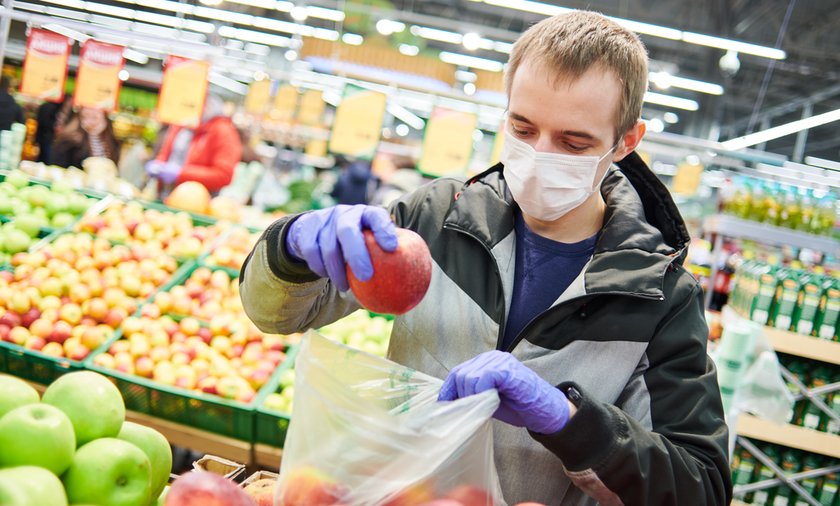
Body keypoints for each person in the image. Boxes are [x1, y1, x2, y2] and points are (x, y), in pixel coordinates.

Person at [239, 11, 731, 506]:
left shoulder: (660, 297)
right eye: (523, 128)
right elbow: (274, 313)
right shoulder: (437, 218)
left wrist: (570, 422)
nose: (539, 156)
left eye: (573, 143)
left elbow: (701, 487)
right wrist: (291, 247)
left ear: (626, 142)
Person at [145, 94, 242, 194]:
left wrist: (181, 173)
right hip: (164, 192)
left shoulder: (223, 131)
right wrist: (159, 164)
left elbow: (223, 175)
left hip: (197, 197)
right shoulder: (181, 122)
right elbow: (167, 152)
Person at [51, 106, 120, 169]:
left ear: (105, 116)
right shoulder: (69, 141)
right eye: (84, 117)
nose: (89, 122)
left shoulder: (114, 140)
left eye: (94, 117)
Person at [35, 97, 73, 164]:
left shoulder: (70, 113)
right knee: (47, 159)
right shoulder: (53, 108)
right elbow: (45, 123)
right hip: (48, 138)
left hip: (50, 139)